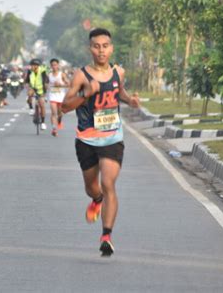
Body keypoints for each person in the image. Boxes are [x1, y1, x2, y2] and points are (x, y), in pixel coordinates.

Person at [61, 28, 140, 256]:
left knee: (108, 183)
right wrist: (86, 93)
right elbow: (65, 106)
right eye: (96, 46)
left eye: (105, 46)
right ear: (90, 49)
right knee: (92, 187)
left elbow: (120, 92)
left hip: (112, 137)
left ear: (111, 48)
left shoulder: (119, 72)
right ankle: (96, 200)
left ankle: (106, 236)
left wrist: (130, 101)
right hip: (86, 139)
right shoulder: (81, 76)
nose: (101, 50)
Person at [48, 58, 70, 137]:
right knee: (54, 113)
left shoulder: (62, 74)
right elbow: (46, 84)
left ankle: (59, 122)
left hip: (61, 97)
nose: (54, 67)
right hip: (52, 96)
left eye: (55, 65)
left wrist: (61, 85)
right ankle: (54, 129)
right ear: (50, 66)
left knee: (59, 114)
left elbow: (68, 84)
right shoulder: (49, 75)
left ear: (58, 65)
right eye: (52, 65)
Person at [25, 58, 49, 130]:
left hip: (41, 89)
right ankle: (31, 108)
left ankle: (43, 123)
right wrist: (27, 86)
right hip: (33, 87)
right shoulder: (30, 72)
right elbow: (26, 81)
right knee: (29, 94)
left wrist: (44, 93)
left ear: (38, 66)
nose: (33, 67)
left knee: (42, 105)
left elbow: (45, 82)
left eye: (35, 65)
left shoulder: (42, 71)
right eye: (32, 65)